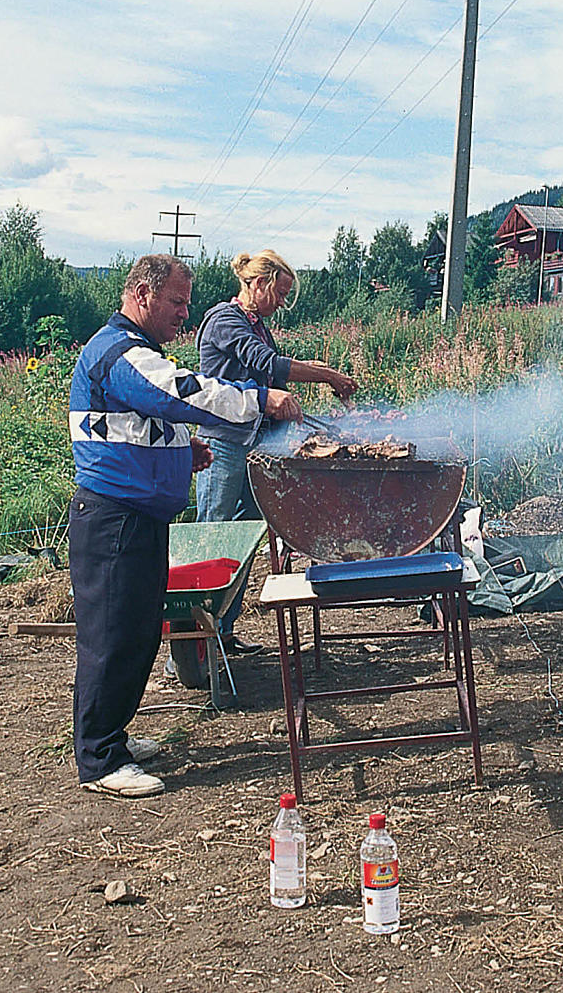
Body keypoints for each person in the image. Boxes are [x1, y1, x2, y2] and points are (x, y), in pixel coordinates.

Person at [69, 253, 302, 798]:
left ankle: (113, 737)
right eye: (177, 301)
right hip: (113, 519)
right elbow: (176, 392)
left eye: (188, 301)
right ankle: (99, 759)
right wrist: (257, 398)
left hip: (139, 518)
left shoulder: (135, 350)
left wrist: (181, 453)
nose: (184, 312)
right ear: (143, 294)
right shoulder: (118, 351)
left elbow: (144, 421)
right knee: (112, 637)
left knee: (139, 631)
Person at [195, 249, 357, 650]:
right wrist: (326, 375)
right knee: (214, 539)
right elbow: (266, 364)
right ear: (257, 283)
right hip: (223, 445)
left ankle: (224, 633)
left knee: (244, 540)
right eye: (279, 292)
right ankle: (193, 646)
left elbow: (269, 372)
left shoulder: (257, 325)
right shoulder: (224, 321)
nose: (282, 302)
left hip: (251, 446)